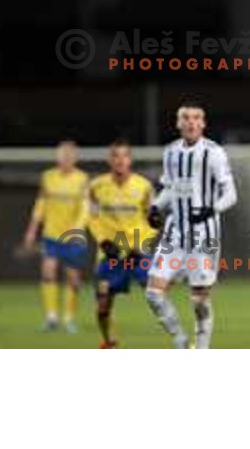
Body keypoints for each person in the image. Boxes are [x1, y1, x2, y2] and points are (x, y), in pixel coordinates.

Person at [145, 104, 237, 349]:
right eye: (185, 118)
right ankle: (181, 342)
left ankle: (202, 349)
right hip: (175, 234)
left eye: (196, 118)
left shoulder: (214, 152)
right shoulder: (170, 152)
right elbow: (170, 187)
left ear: (203, 124)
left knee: (198, 300)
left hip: (204, 236)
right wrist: (155, 206)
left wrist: (211, 209)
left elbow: (231, 194)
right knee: (153, 294)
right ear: (178, 124)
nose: (191, 122)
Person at [89, 140, 156, 348]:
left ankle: (182, 342)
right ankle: (108, 341)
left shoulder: (143, 186)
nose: (120, 160)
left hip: (138, 253)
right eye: (115, 156)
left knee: (158, 296)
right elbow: (91, 217)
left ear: (130, 160)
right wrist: (103, 242)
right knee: (102, 306)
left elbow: (155, 221)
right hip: (111, 255)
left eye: (124, 156)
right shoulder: (97, 186)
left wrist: (142, 243)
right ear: (110, 160)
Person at [23, 140, 89, 333]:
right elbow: (40, 205)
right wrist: (31, 230)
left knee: (73, 278)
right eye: (62, 155)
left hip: (73, 237)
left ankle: (68, 319)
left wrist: (77, 229)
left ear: (75, 158)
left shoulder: (82, 179)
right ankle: (51, 317)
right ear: (57, 157)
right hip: (51, 235)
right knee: (48, 271)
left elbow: (85, 208)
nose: (66, 158)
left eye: (70, 155)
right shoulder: (48, 177)